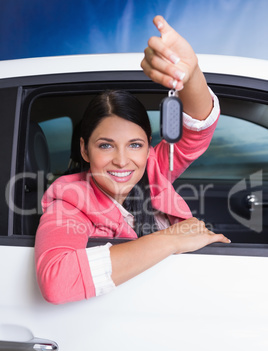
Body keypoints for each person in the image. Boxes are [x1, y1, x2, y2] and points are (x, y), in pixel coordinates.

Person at [35, 16, 230, 304]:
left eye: (135, 145)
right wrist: (172, 239)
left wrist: (191, 74)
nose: (123, 161)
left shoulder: (152, 166)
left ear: (148, 148)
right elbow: (57, 281)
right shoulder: (69, 202)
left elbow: (197, 127)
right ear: (85, 150)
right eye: (106, 146)